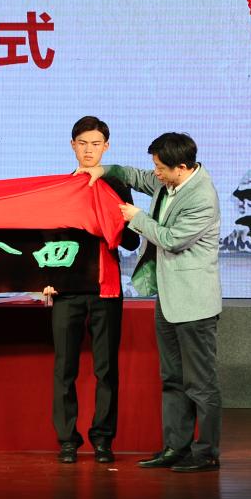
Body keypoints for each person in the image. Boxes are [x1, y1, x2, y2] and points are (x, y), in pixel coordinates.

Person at [87, 132, 222, 473]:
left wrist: (136, 217)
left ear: (182, 167)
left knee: (200, 384)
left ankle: (206, 452)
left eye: (161, 168)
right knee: (172, 378)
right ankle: (175, 447)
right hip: (169, 299)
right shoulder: (167, 182)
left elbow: (171, 239)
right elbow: (135, 176)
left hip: (195, 304)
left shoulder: (202, 197)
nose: (155, 173)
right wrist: (103, 170)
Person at [42, 116, 140, 464]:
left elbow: (131, 242)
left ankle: (103, 440)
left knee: (106, 370)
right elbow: (47, 238)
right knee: (64, 368)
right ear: (72, 146)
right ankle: (67, 440)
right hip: (67, 290)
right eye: (82, 143)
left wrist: (116, 218)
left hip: (106, 289)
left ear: (106, 147)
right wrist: (45, 277)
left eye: (96, 144)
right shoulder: (61, 187)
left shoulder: (117, 186)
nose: (89, 150)